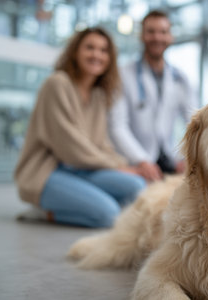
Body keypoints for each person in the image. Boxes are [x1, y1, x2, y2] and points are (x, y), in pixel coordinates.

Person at [14, 27, 146, 228]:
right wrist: (117, 167)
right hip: (48, 172)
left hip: (81, 169)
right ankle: (45, 213)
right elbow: (70, 146)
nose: (97, 55)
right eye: (90, 48)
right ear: (75, 52)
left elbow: (102, 143)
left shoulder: (98, 95)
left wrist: (126, 166)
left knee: (137, 186)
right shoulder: (57, 83)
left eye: (103, 50)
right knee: (108, 213)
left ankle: (80, 199)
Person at [108, 10, 198, 182]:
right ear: (142, 36)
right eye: (151, 31)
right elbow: (117, 126)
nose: (157, 37)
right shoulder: (123, 74)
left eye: (163, 32)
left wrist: (184, 158)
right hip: (134, 160)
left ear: (170, 37)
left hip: (169, 160)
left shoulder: (181, 79)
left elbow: (194, 123)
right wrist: (142, 160)